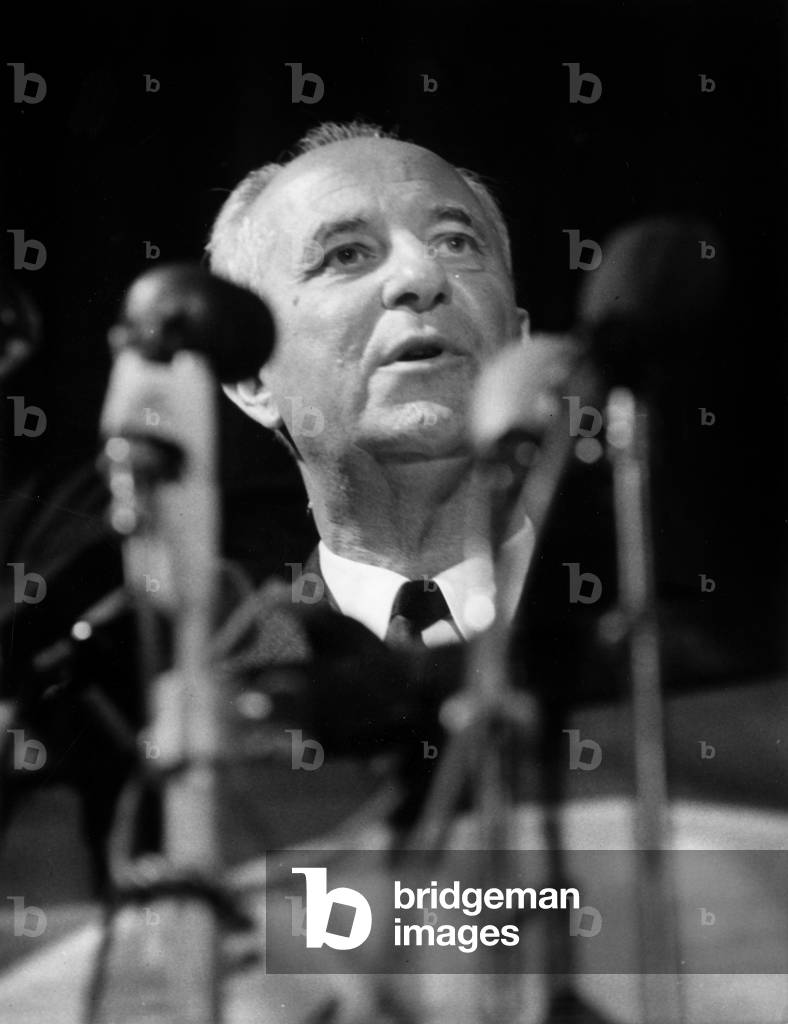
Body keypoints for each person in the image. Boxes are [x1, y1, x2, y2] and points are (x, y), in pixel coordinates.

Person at [208, 120, 533, 648]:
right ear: (253, 380)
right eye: (347, 254)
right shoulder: (233, 675)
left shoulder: (653, 625)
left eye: (455, 242)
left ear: (520, 340)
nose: (421, 276)